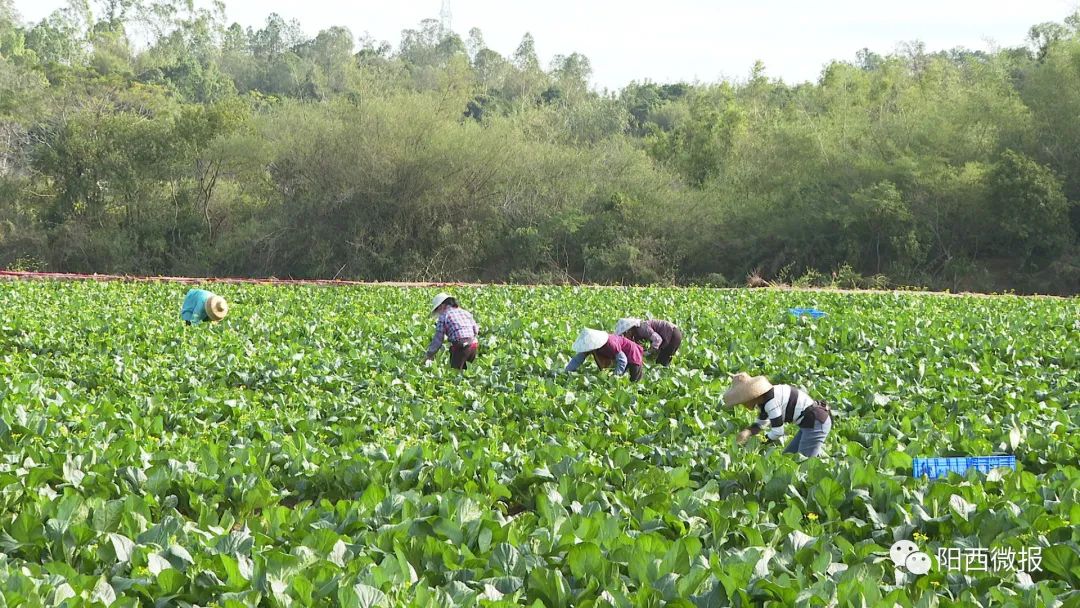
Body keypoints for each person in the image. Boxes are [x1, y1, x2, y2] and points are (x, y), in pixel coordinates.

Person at [723, 372, 831, 457]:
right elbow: (761, 424)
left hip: (816, 423)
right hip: (810, 423)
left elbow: (778, 432)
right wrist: (747, 432)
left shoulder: (771, 402)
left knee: (804, 464)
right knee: (788, 457)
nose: (743, 403)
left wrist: (758, 442)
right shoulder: (765, 399)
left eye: (743, 400)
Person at [564, 328, 644, 382]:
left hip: (633, 353)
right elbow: (577, 359)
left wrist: (615, 376)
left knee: (634, 380)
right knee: (620, 380)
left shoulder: (610, 343)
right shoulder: (590, 346)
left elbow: (622, 360)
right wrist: (567, 371)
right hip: (622, 355)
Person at [425, 293, 480, 370]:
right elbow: (476, 330)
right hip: (473, 345)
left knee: (455, 373)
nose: (438, 313)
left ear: (441, 306)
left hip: (461, 347)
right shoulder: (465, 312)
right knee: (467, 371)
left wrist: (429, 354)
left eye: (437, 310)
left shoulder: (444, 316)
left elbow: (438, 339)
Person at [614, 317, 683, 366]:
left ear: (629, 330)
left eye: (625, 334)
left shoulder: (642, 328)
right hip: (672, 334)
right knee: (662, 361)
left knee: (661, 363)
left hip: (673, 335)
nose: (625, 337)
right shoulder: (636, 333)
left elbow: (658, 340)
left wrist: (648, 352)